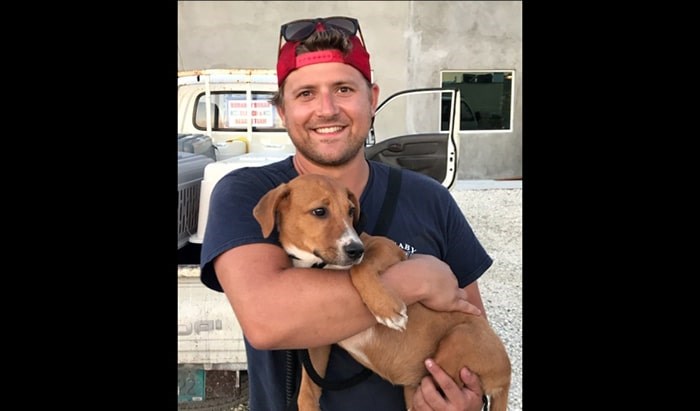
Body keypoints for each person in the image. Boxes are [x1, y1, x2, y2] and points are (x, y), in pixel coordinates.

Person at [201, 16, 494, 411]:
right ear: (282, 111)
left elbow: (471, 324)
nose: (327, 109)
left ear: (372, 99)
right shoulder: (247, 193)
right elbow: (267, 320)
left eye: (343, 89)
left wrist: (470, 400)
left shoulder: (430, 199)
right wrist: (416, 280)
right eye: (305, 93)